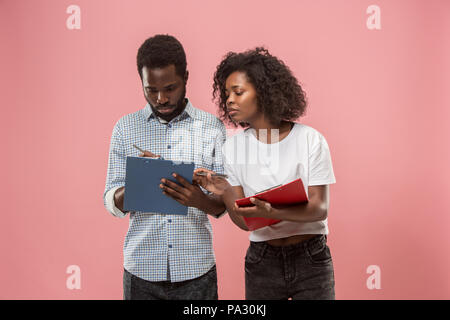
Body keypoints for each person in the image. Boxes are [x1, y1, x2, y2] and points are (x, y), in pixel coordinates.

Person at [194, 47, 336, 300]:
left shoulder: (311, 140)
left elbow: (319, 208)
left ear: (264, 92)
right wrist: (225, 190)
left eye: (238, 92)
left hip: (311, 258)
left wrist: (272, 213)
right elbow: (244, 222)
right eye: (226, 94)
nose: (229, 100)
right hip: (262, 260)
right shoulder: (233, 148)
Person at [103, 34, 226, 300]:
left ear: (186, 78)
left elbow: (222, 204)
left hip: (197, 272)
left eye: (170, 88)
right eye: (151, 90)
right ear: (142, 83)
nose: (161, 98)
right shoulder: (125, 128)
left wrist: (197, 199)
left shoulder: (211, 128)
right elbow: (112, 202)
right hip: (141, 274)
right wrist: (142, 178)